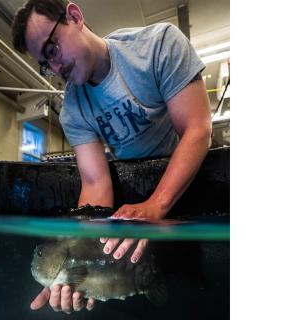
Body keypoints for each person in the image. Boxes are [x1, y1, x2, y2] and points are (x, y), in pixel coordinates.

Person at [11, 0, 212, 314]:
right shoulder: (73, 110)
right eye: (44, 64)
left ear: (75, 16)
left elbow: (197, 130)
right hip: (132, 206)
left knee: (197, 290)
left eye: (52, 49)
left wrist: (156, 205)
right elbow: (94, 182)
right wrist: (68, 265)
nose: (54, 67)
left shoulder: (158, 46)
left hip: (188, 189)